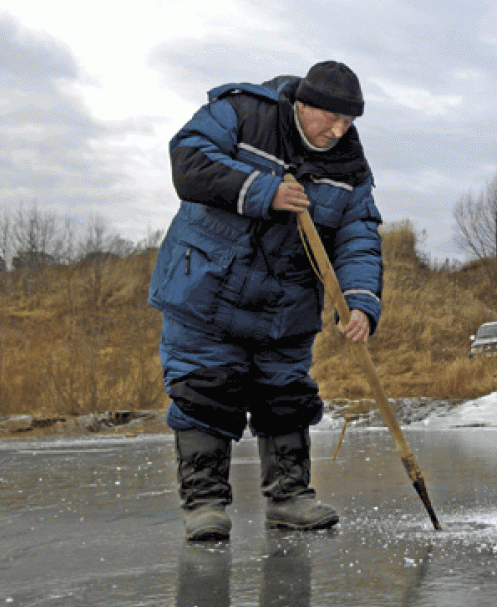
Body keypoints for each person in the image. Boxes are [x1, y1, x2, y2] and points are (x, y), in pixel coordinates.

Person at [149, 61, 383, 541]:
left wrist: (360, 302)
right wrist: (263, 191)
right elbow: (188, 161)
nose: (338, 131)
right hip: (206, 287)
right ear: (303, 104)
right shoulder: (242, 112)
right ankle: (205, 504)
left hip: (287, 300)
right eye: (330, 119)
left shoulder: (350, 167)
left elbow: (358, 236)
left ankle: (290, 498)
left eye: (348, 123)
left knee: (286, 396)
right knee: (205, 390)